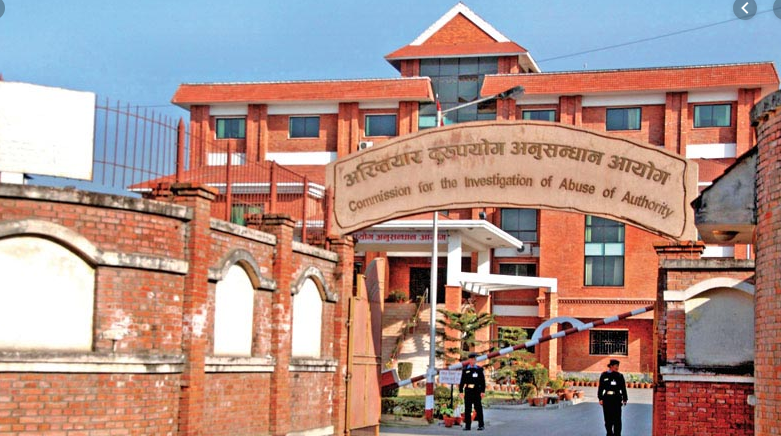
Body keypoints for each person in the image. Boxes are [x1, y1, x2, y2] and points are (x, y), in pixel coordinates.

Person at [598, 359, 628, 436]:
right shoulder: (604, 375)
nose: (617, 367)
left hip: (616, 399)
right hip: (607, 399)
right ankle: (609, 433)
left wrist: (625, 398)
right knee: (608, 419)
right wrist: (600, 398)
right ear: (611, 366)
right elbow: (600, 388)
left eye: (618, 366)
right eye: (616, 366)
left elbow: (623, 388)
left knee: (617, 419)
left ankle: (617, 434)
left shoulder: (619, 376)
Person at [458, 352, 485, 431]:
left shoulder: (479, 369)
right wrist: (461, 391)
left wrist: (482, 391)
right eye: (472, 359)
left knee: (478, 408)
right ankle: (467, 426)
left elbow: (482, 381)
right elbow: (462, 381)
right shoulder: (466, 370)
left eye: (474, 359)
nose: (473, 361)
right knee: (467, 409)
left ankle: (481, 425)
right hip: (468, 391)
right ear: (469, 360)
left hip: (477, 391)